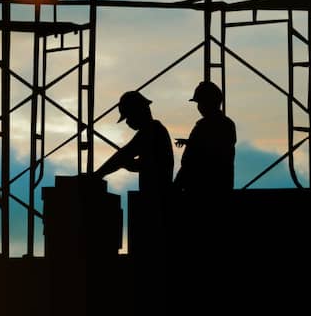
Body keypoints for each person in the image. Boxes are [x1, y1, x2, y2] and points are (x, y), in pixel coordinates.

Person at [92, 90, 173, 259]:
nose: (128, 122)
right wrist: (134, 165)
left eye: (129, 117)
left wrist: (98, 174)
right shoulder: (154, 131)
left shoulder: (152, 131)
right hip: (156, 196)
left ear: (138, 111)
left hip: (156, 199)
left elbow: (125, 154)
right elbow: (148, 162)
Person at [175, 81, 237, 202]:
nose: (199, 107)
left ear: (208, 103)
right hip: (220, 190)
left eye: (200, 103)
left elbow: (192, 161)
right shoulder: (227, 125)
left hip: (201, 192)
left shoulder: (203, 127)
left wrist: (176, 186)